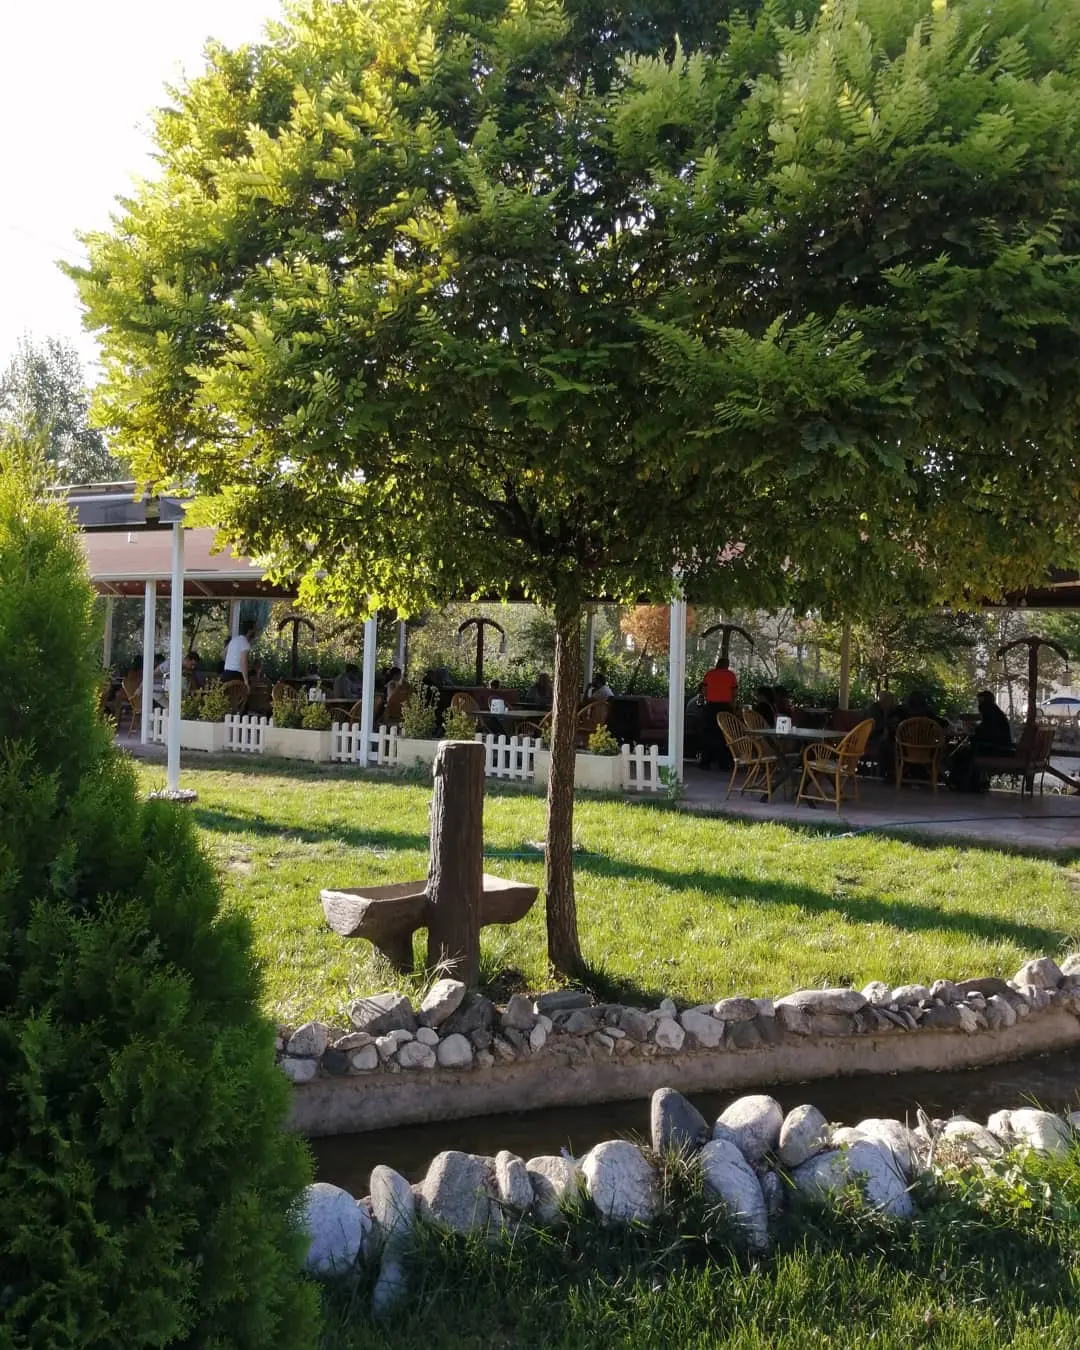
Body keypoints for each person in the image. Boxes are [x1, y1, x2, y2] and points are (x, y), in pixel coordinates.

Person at [948, 690, 1013, 791]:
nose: (979, 704)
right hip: (997, 746)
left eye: (980, 701)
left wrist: (973, 732)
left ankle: (963, 783)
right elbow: (987, 730)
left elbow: (988, 733)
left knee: (962, 754)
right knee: (964, 752)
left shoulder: (990, 713)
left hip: (995, 748)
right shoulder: (994, 712)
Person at [699, 657, 738, 770]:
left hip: (711, 706)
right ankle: (724, 763)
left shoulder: (709, 674)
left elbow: (704, 690)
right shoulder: (730, 675)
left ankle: (706, 762)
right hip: (725, 707)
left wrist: (707, 698)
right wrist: (733, 702)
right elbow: (734, 691)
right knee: (725, 735)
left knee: (709, 734)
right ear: (726, 665)